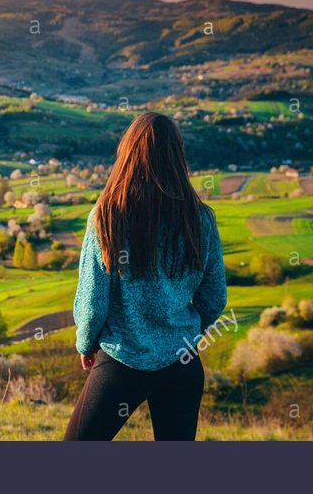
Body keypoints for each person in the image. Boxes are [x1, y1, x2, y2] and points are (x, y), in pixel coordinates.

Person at [64, 112, 227, 441]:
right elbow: (215, 298)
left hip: (122, 360)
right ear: (177, 156)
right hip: (182, 363)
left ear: (127, 153)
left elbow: (93, 302)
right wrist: (184, 333)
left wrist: (86, 343)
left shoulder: (107, 216)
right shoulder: (200, 219)